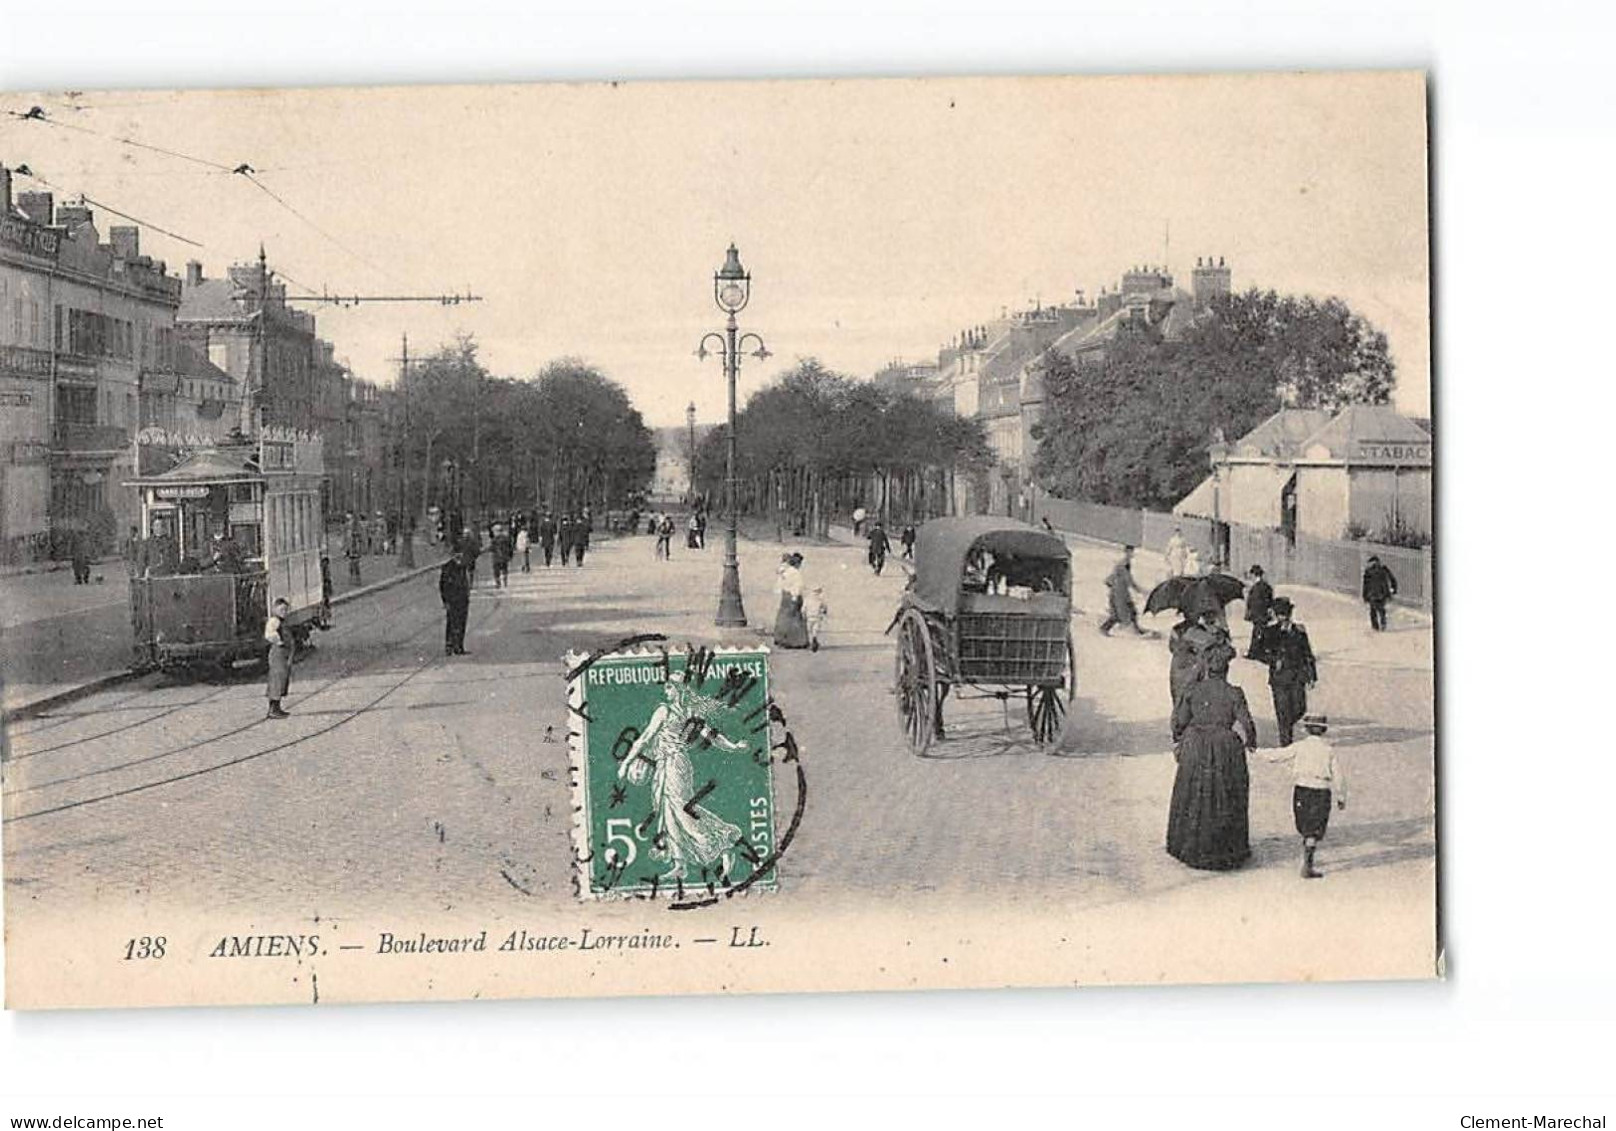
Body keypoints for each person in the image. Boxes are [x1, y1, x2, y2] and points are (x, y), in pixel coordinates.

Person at [618, 671, 751, 883]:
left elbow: (645, 738)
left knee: (681, 811)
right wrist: (734, 747)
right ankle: (679, 865)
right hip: (666, 765)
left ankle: (723, 841)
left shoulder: (667, 711)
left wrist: (626, 763)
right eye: (666, 687)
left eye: (670, 687)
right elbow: (712, 737)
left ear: (679, 689)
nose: (666, 690)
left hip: (675, 765)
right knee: (668, 811)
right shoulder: (685, 712)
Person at [1166, 648, 1257, 870]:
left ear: (1207, 669)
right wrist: (1251, 742)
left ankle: (1189, 845)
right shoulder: (1234, 692)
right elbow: (1247, 723)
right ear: (1226, 670)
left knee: (1193, 792)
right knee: (1226, 792)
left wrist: (1180, 738)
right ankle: (1226, 848)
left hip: (1195, 745)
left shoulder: (1192, 690)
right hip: (1225, 746)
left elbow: (1178, 722)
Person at [1262, 714, 1347, 879]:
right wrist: (1341, 796)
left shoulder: (1300, 746)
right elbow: (1339, 776)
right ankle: (1308, 864)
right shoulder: (1328, 750)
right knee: (1314, 829)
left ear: (1306, 729)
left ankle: (1306, 856)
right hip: (1321, 791)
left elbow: (1278, 755)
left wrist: (1257, 752)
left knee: (1305, 825)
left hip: (1301, 789)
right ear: (1324, 730)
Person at [1256, 596, 1317, 746]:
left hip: (1297, 677)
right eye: (1280, 615)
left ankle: (1286, 727)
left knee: (1300, 708)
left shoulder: (1299, 631)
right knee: (1283, 711)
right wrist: (1272, 660)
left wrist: (1312, 676)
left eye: (1286, 614)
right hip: (1279, 678)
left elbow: (1308, 654)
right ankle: (1286, 743)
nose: (1283, 618)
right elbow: (1259, 653)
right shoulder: (1269, 632)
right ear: (1276, 616)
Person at [1168, 608, 1233, 715]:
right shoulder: (1204, 632)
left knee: (1180, 699)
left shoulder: (1177, 629)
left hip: (1180, 668)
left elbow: (1172, 647)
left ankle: (1180, 725)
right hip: (1189, 668)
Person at [1098, 545, 1147, 636]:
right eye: (1130, 552)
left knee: (1130, 610)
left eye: (1132, 552)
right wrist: (1141, 590)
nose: (1131, 554)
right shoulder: (1123, 564)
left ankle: (1137, 630)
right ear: (1126, 552)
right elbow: (1128, 580)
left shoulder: (1125, 563)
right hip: (1119, 592)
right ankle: (1104, 628)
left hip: (1121, 591)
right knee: (1119, 613)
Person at [264, 597, 293, 719]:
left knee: (282, 680)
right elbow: (269, 634)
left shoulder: (282, 621)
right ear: (275, 610)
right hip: (278, 653)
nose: (284, 612)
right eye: (281, 610)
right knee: (277, 679)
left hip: (283, 653)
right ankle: (273, 709)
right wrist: (279, 641)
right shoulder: (274, 621)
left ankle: (277, 707)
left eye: (286, 610)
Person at [773, 552, 809, 648]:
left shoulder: (785, 571)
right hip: (793, 597)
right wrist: (795, 597)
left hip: (785, 596)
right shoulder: (796, 573)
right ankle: (795, 641)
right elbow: (798, 586)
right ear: (798, 563)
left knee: (783, 616)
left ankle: (780, 638)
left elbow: (780, 584)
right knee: (795, 618)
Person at [439, 547, 471, 656]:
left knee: (461, 622)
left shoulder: (463, 567)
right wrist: (445, 601)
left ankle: (459, 646)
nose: (459, 557)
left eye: (461, 555)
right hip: (452, 599)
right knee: (452, 622)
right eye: (457, 555)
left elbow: (466, 582)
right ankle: (449, 645)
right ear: (453, 555)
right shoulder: (447, 567)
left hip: (463, 599)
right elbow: (443, 586)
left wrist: (467, 595)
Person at [1243, 564, 1274, 659]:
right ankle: (1260, 651)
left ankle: (1255, 653)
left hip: (1258, 614)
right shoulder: (1267, 586)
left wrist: (1250, 613)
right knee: (1261, 631)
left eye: (1251, 574)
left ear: (1254, 575)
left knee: (1258, 632)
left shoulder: (1257, 587)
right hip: (1263, 613)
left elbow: (1255, 602)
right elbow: (1269, 600)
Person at [1362, 554, 1398, 632]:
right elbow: (1365, 584)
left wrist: (1365, 595)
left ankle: (1378, 626)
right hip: (1379, 593)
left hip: (1377, 593)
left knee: (1376, 610)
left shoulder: (1377, 570)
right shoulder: (1372, 571)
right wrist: (1393, 589)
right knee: (1378, 610)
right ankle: (1379, 625)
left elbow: (1365, 585)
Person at [807, 585, 829, 653]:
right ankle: (814, 639)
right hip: (817, 617)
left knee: (810, 630)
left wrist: (803, 615)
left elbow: (803, 608)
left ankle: (812, 641)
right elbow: (825, 608)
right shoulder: (820, 600)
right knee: (815, 630)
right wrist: (824, 613)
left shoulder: (807, 599)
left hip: (809, 617)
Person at [490, 523, 513, 588]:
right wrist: (510, 555)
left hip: (496, 558)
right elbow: (510, 547)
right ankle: (505, 581)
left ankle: (498, 583)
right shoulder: (506, 538)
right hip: (504, 557)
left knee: (496, 571)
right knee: (504, 569)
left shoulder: (494, 540)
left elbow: (491, 547)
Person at [343, 515, 363, 587]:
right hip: (351, 549)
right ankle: (352, 579)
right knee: (351, 565)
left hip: (355, 549)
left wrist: (359, 549)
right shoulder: (347, 531)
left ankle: (357, 579)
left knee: (356, 565)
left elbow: (359, 539)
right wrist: (345, 550)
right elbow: (346, 540)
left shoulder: (357, 530)